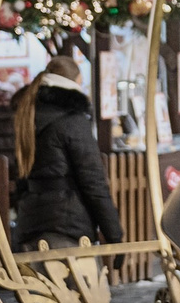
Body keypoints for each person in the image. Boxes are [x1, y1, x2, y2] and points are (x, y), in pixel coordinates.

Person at [11, 52, 124, 249]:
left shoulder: (26, 115)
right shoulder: (73, 120)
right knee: (82, 281)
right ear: (75, 81)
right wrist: (114, 235)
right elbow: (93, 183)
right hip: (67, 229)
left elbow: (21, 177)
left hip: (29, 226)